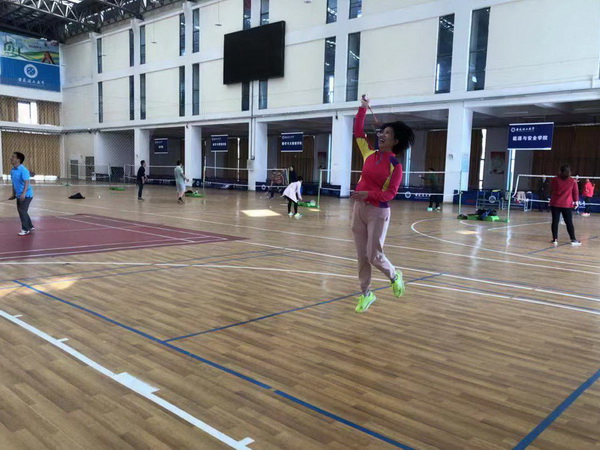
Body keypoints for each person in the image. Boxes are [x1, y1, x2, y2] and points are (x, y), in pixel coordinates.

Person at [350, 95, 415, 313]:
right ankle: (366, 293)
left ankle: (394, 276)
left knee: (374, 256)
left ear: (395, 141)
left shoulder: (395, 166)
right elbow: (358, 131)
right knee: (361, 256)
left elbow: (390, 194)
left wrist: (367, 194)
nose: (382, 135)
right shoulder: (369, 153)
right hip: (358, 210)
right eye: (382, 132)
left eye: (387, 133)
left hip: (378, 212)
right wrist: (363, 108)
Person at [549, 165, 581, 246]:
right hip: (566, 204)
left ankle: (555, 239)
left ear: (560, 171)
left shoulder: (555, 179)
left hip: (555, 203)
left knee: (555, 221)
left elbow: (551, 190)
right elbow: (575, 192)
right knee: (569, 222)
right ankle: (573, 239)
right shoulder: (572, 181)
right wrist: (576, 201)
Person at [8, 152, 34, 236]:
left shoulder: (23, 170)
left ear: (18, 159)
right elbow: (14, 183)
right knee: (21, 211)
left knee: (22, 210)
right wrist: (13, 194)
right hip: (19, 194)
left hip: (27, 195)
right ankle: (30, 226)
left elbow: (27, 182)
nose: (11, 158)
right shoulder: (12, 170)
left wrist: (23, 194)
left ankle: (25, 229)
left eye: (13, 157)